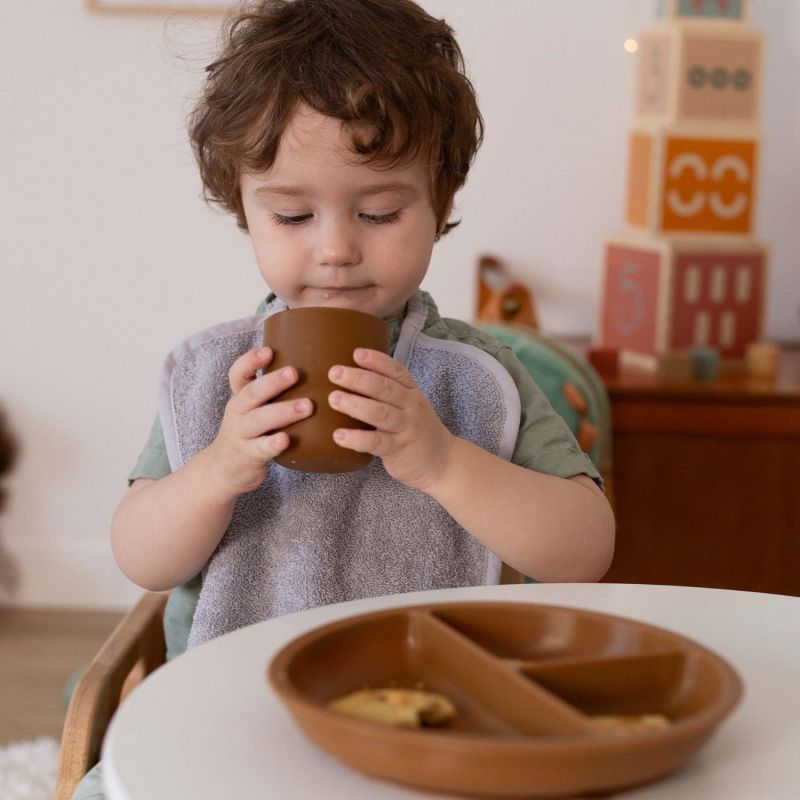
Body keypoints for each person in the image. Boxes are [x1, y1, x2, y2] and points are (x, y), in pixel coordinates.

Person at [71, 1, 614, 794]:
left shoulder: (477, 376)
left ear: (441, 198)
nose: (335, 249)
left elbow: (584, 552)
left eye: (380, 211)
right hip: (230, 720)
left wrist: (442, 462)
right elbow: (140, 557)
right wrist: (218, 470)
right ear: (242, 206)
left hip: (438, 723)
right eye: (292, 214)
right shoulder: (214, 376)